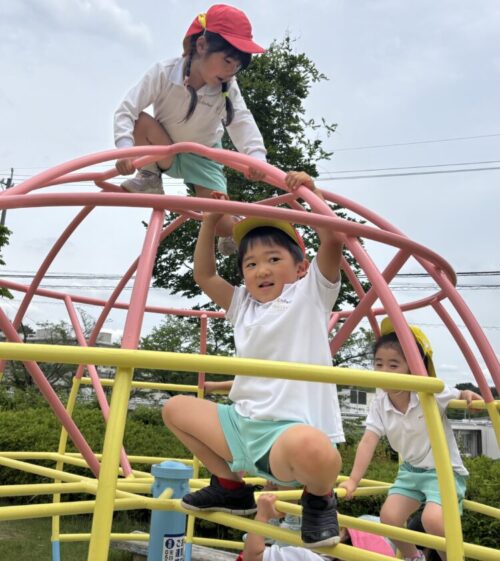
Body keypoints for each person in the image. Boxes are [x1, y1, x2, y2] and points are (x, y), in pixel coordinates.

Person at [162, 171, 344, 548]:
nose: (261, 270)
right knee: (175, 409)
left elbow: (333, 239)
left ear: (301, 268)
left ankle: (319, 499)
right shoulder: (242, 304)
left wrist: (310, 194)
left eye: (273, 259)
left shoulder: (311, 294)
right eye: (250, 264)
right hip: (240, 425)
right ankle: (230, 487)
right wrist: (210, 222)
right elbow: (205, 274)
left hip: (288, 433)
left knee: (316, 449)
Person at [113, 4, 267, 252]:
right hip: (164, 147)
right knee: (139, 121)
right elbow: (126, 110)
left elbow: (241, 121)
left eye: (237, 66)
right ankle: (150, 176)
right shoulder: (164, 73)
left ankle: (235, 225)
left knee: (218, 222)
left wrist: (256, 158)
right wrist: (125, 151)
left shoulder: (227, 87)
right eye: (227, 60)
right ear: (202, 45)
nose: (231, 71)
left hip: (204, 156)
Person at [339, 318, 482, 561]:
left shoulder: (428, 392)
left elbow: (459, 394)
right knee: (389, 517)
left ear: (412, 368)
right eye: (379, 364)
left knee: (432, 520)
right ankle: (413, 557)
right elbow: (368, 442)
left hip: (443, 472)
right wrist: (353, 480)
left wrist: (468, 394)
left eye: (393, 365)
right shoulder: (380, 404)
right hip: (411, 471)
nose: (384, 372)